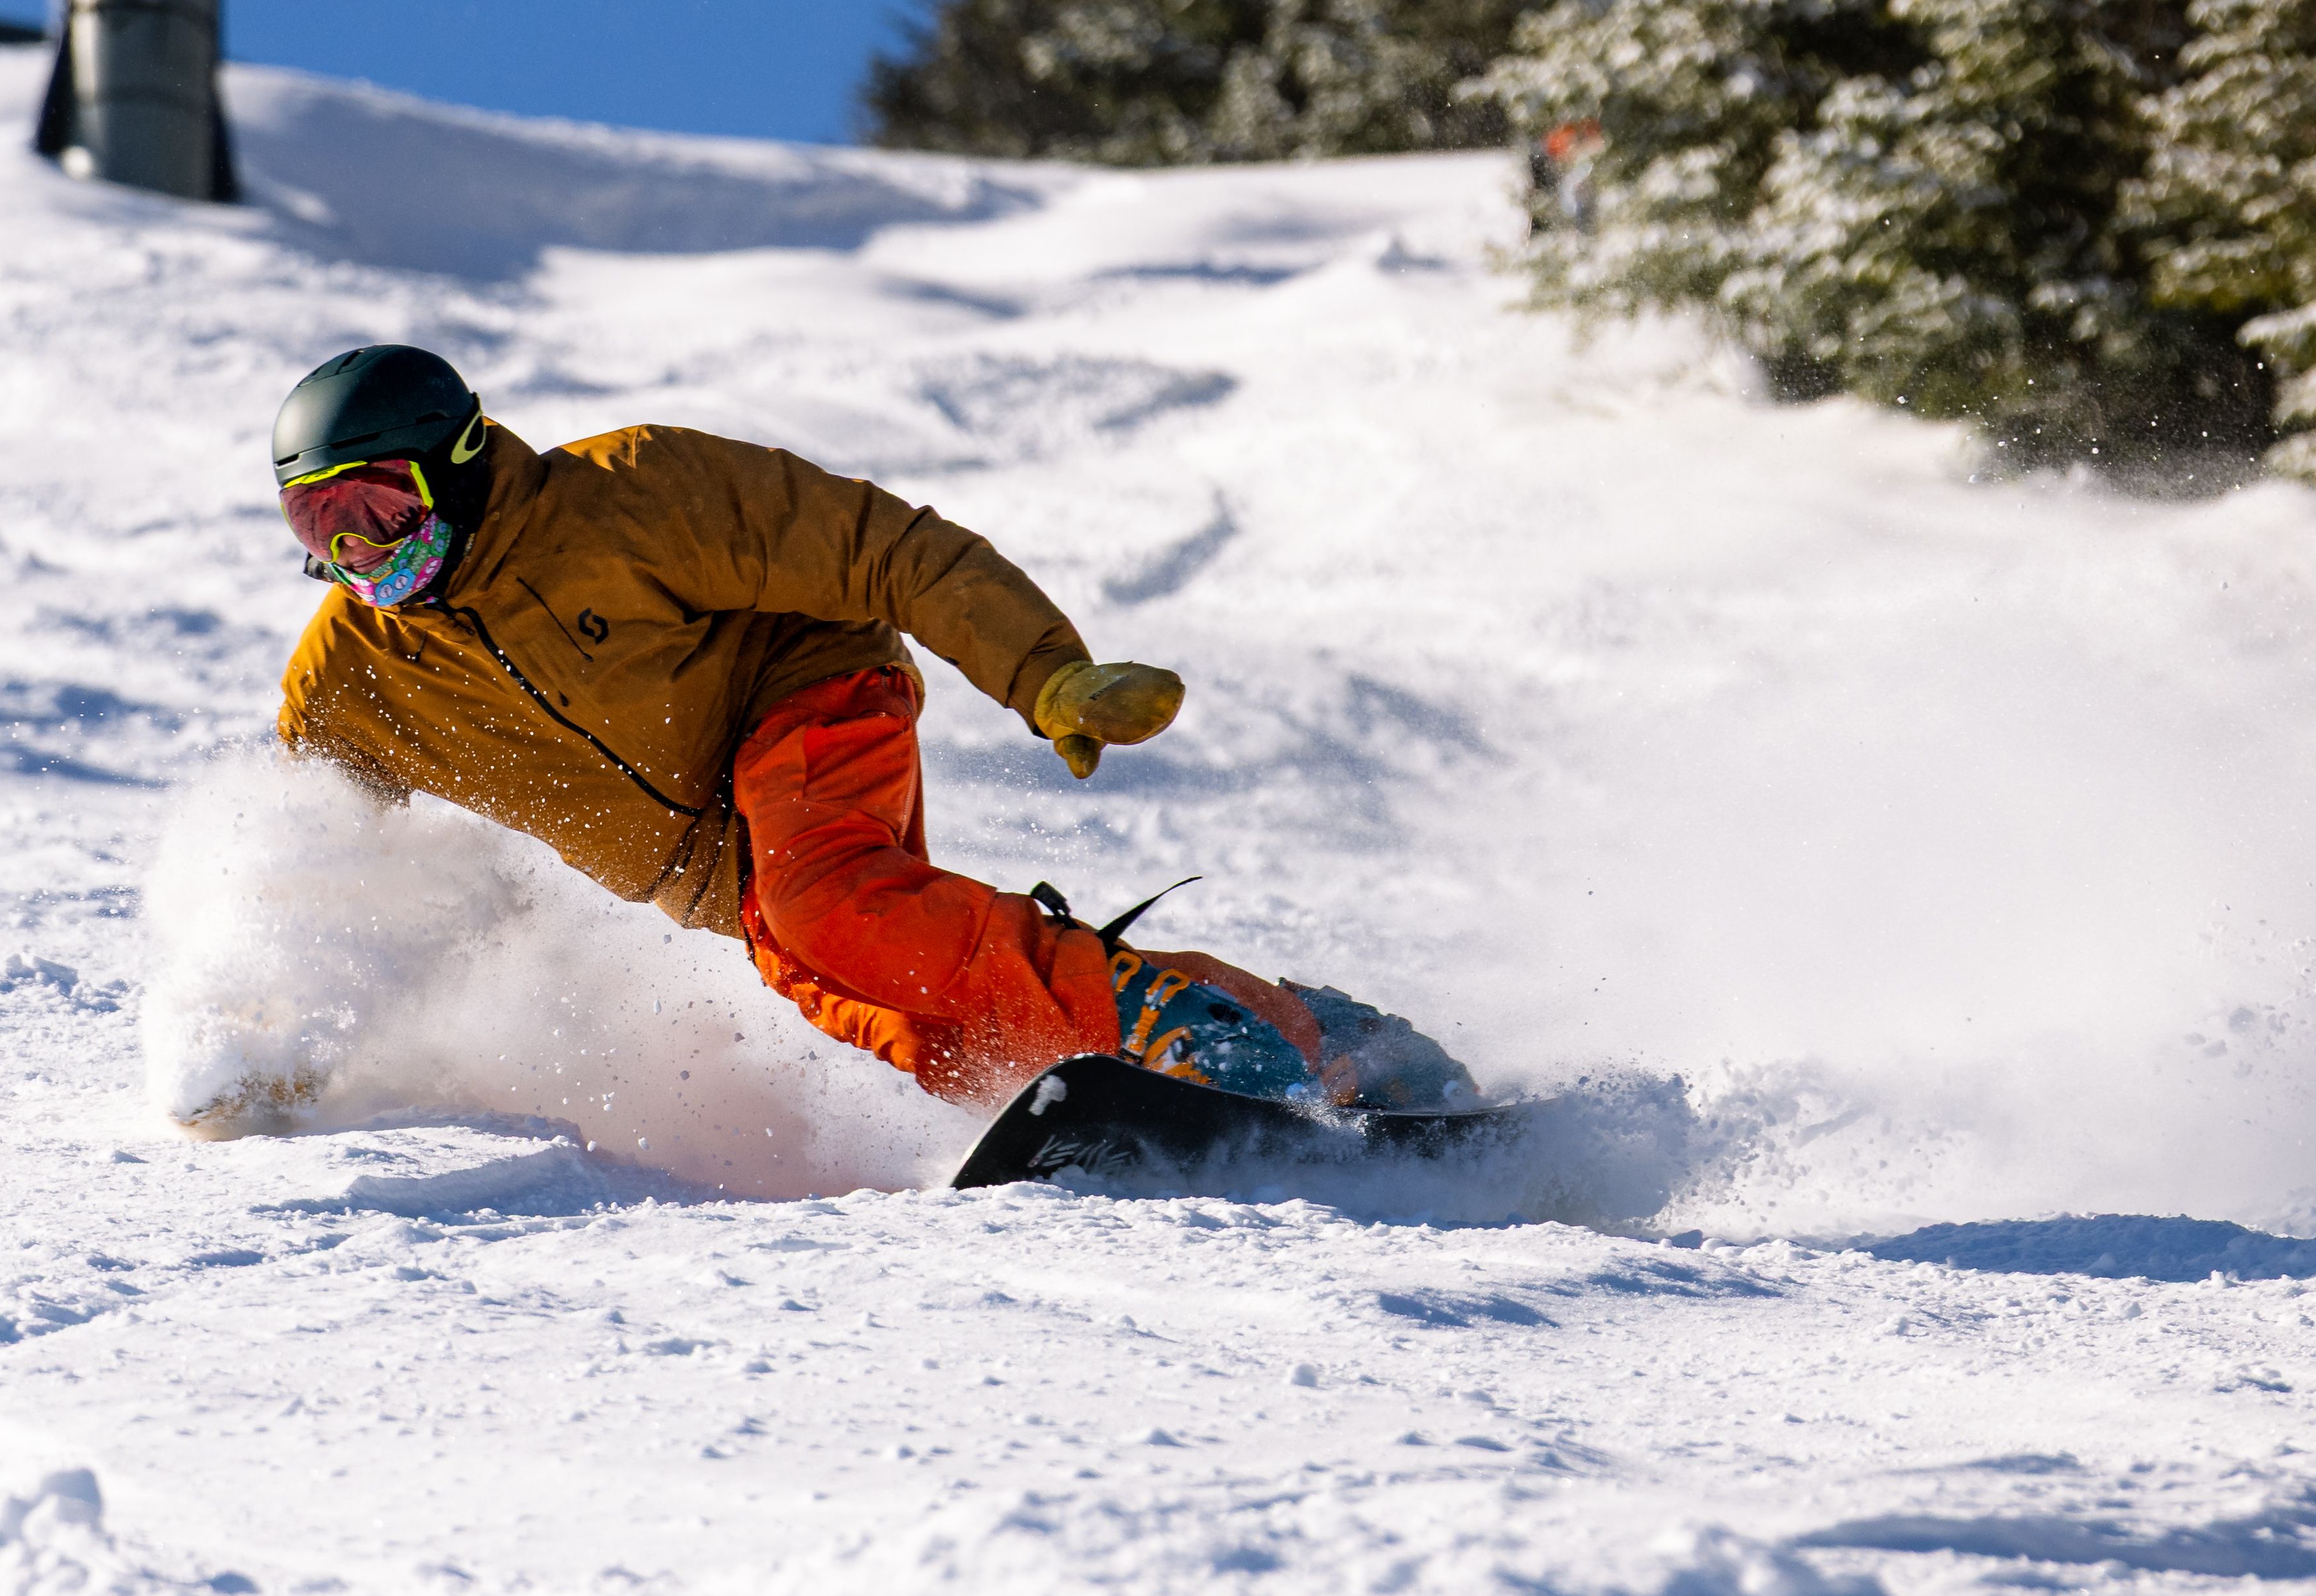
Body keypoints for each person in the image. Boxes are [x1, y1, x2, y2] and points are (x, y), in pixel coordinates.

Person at [263, 346, 1481, 1116]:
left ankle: (1179, 1032)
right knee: (913, 1015)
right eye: (320, 527)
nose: (357, 554)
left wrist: (1045, 673)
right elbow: (301, 853)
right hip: (718, 865)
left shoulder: (628, 497)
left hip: (807, 690)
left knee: (828, 900)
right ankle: (1316, 1035)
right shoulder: (356, 671)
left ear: (460, 464)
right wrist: (278, 1030)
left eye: (378, 507)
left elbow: (881, 548)